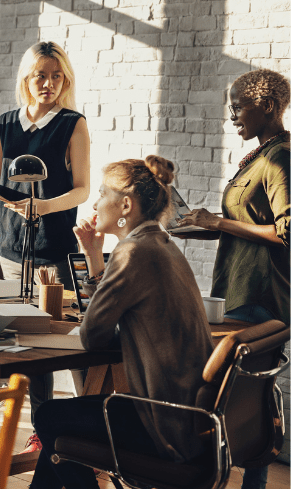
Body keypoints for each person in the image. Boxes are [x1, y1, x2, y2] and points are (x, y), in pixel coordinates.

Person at [30, 156, 213, 489]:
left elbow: (92, 336)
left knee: (48, 416)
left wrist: (96, 264)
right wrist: (93, 258)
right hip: (189, 418)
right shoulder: (162, 245)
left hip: (161, 423)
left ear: (125, 205)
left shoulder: (132, 252)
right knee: (59, 430)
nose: (96, 203)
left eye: (101, 194)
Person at [0, 41, 90, 452]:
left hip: (53, 245)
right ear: (27, 78)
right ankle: (42, 431)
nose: (49, 83)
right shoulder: (7, 121)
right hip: (10, 244)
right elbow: (7, 183)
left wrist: (42, 206)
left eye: (57, 75)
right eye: (41, 75)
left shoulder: (72, 123)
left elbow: (81, 191)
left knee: (60, 339)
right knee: (25, 342)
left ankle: (82, 428)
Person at [177, 69, 289, 489]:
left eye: (238, 107)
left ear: (268, 107)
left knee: (241, 401)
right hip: (240, 291)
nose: (232, 117)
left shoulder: (281, 158)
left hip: (262, 297)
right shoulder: (262, 155)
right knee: (244, 400)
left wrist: (219, 223)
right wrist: (198, 225)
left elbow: (284, 232)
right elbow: (247, 221)